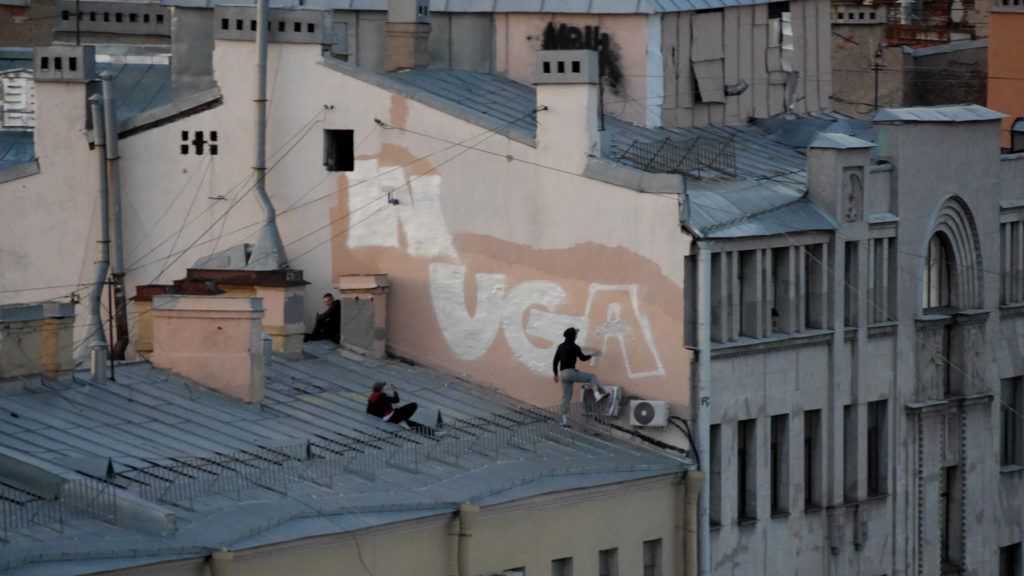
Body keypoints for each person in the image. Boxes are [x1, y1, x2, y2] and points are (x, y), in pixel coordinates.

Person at [552, 327, 607, 427]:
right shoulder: (574, 347)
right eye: (575, 335)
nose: (576, 336)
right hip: (571, 372)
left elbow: (555, 361)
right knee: (592, 377)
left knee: (566, 398)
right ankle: (597, 396)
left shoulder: (560, 346)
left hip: (563, 374)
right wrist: (592, 355)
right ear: (573, 337)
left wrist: (555, 374)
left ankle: (563, 421)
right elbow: (583, 358)